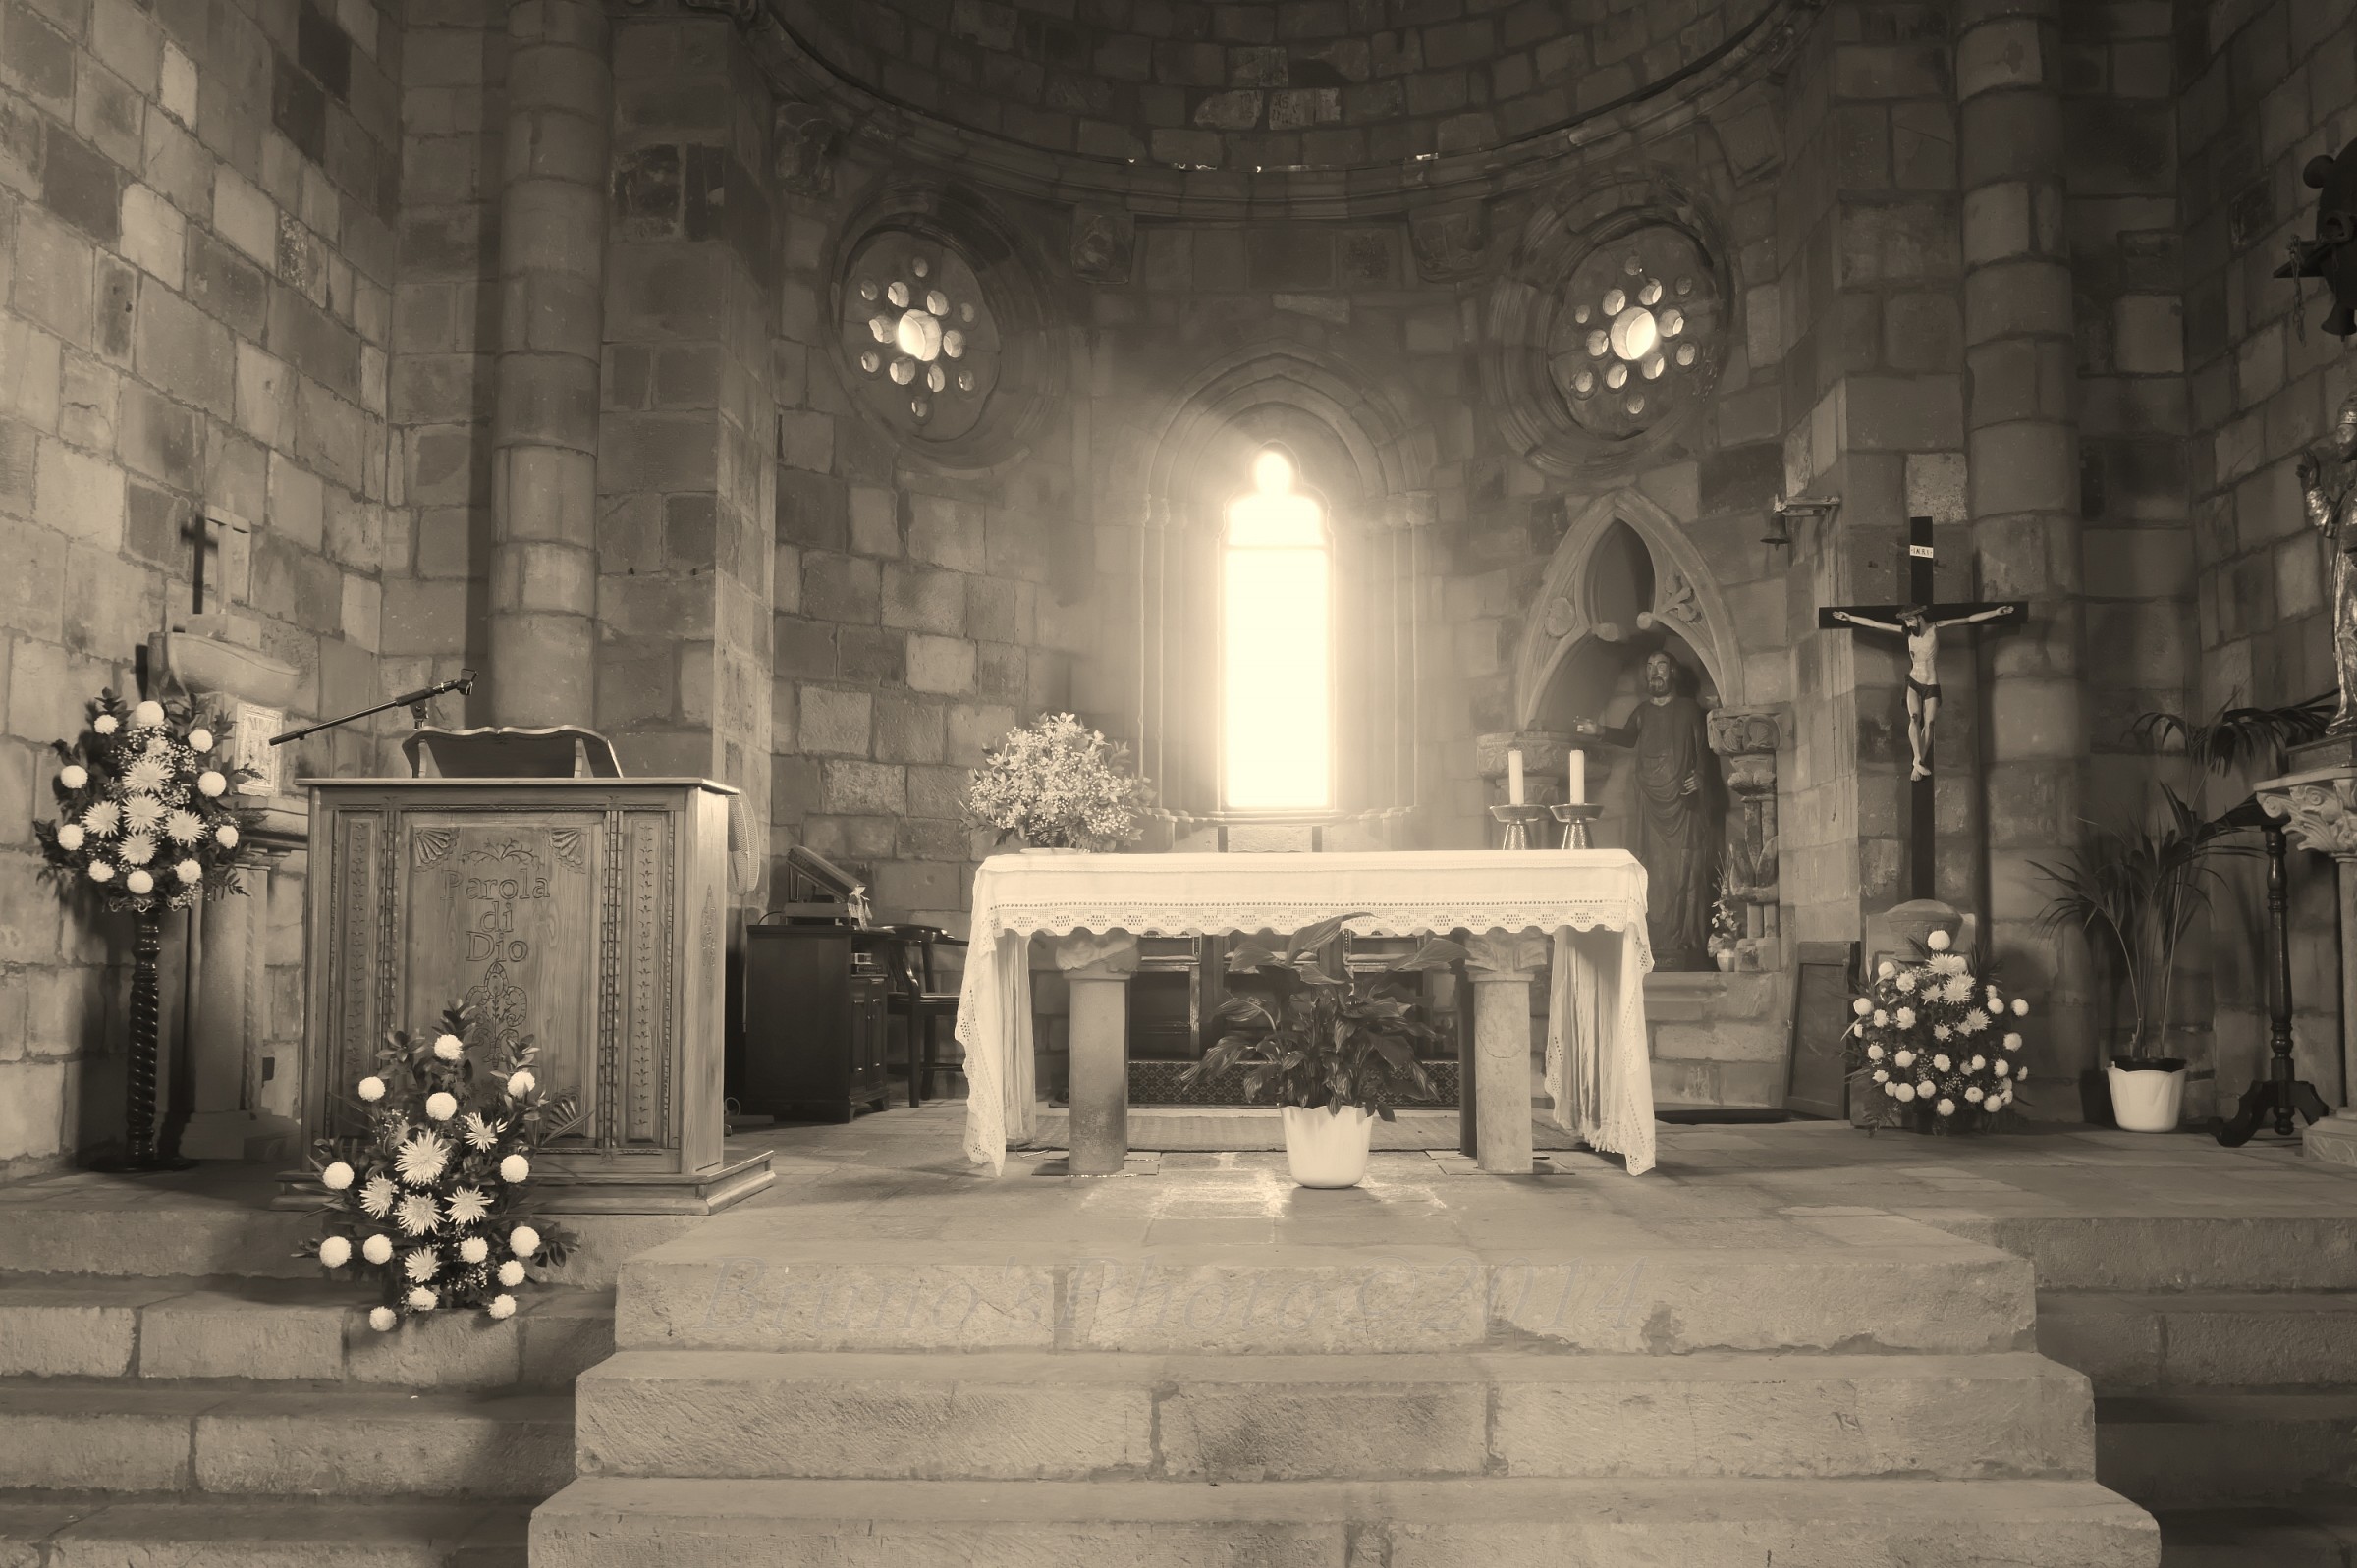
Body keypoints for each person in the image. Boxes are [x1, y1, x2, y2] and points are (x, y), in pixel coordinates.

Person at [1574, 650, 1719, 969]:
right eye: (1650, 666)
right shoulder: (1642, 712)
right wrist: (1600, 731)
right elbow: (1628, 737)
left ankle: (1685, 940)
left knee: (1684, 867)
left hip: (1683, 806)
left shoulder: (1688, 709)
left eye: (1662, 665)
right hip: (1650, 808)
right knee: (1651, 868)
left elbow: (1704, 751)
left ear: (1673, 672)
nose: (1655, 672)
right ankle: (1656, 939)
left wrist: (1700, 777)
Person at [1827, 603, 2017, 779]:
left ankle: (1917, 763)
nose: (1908, 624)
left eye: (1910, 619)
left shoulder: (1936, 627)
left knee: (1931, 722)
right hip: (1914, 680)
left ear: (1918, 617)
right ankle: (1917, 759)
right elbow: (1876, 624)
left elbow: (1967, 619)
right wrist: (1850, 618)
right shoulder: (1907, 634)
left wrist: (1994, 612)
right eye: (1906, 621)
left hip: (1931, 682)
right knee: (1914, 718)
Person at [2299, 392, 2357, 736]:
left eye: (2344, 430)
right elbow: (2330, 524)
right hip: (2346, 576)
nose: (2339, 439)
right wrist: (2312, 488)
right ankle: (2351, 709)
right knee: (2345, 635)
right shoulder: (2351, 491)